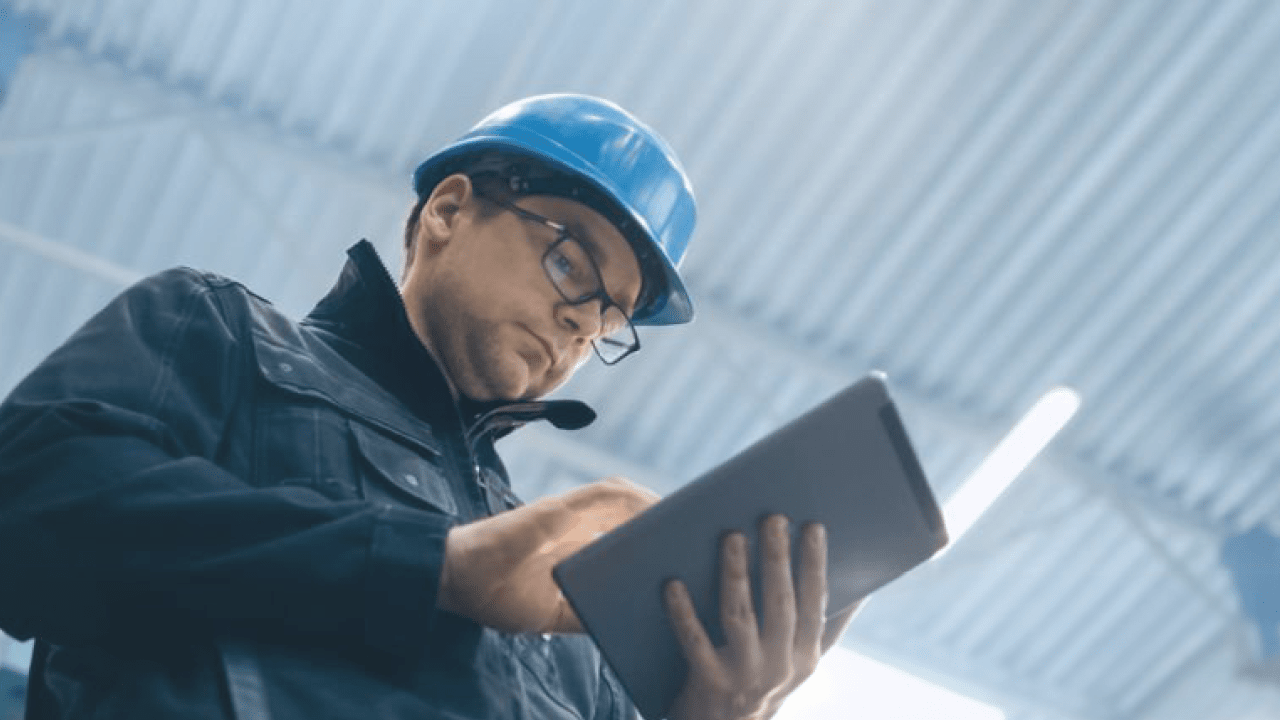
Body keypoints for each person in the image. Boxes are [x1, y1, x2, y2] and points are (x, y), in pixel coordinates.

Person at [0, 94, 857, 720]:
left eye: (609, 317)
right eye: (571, 265)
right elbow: (30, 513)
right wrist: (433, 569)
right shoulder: (221, 334)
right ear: (448, 210)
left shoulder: (573, 599)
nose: (580, 321)